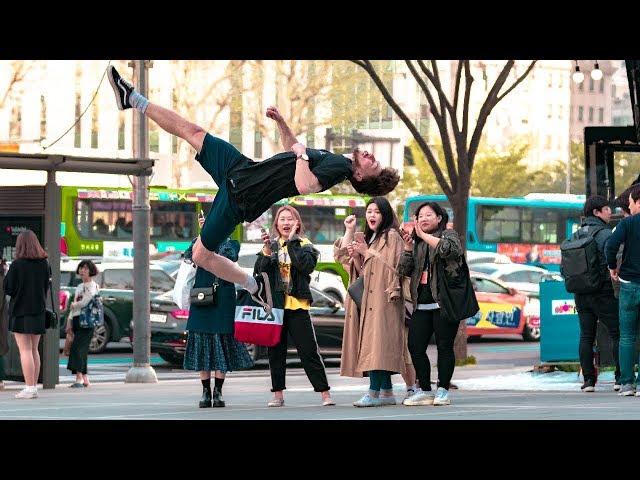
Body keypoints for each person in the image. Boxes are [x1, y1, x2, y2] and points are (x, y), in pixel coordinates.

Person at [107, 66, 400, 312]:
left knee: (201, 255)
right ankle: (132, 97)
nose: (371, 157)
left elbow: (304, 184)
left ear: (361, 176)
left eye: (373, 164)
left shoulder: (340, 168)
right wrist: (284, 125)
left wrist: (301, 154)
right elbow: (292, 151)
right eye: (373, 158)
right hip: (243, 169)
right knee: (193, 131)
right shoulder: (338, 159)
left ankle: (252, 285)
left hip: (242, 197)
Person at [254, 205, 335, 407]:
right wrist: (266, 251)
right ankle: (278, 395)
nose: (286, 222)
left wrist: (291, 243)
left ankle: (325, 394)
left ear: (297, 223)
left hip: (298, 306)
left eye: (290, 219)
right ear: (276, 223)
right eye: (282, 219)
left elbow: (304, 266)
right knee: (276, 353)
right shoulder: (271, 245)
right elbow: (259, 273)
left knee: (309, 352)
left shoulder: (305, 245)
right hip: (277, 308)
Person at [334, 197, 407, 407]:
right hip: (368, 299)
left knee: (377, 345)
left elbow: (396, 268)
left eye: (376, 211)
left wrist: (367, 252)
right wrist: (351, 234)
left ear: (385, 214)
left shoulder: (392, 236)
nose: (372, 215)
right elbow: (345, 260)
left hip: (385, 299)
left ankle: (373, 393)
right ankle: (386, 391)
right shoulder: (371, 236)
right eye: (369, 211)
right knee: (376, 345)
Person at [398, 202, 469, 406]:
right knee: (415, 346)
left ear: (439, 218)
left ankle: (443, 390)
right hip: (422, 303)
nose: (423, 219)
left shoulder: (449, 235)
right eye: (420, 216)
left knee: (444, 346)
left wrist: (423, 236)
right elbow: (403, 270)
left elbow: (450, 251)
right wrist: (409, 247)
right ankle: (426, 390)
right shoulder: (417, 242)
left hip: (444, 303)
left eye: (429, 215)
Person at [183, 218, 254, 408]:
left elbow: (225, 257)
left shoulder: (231, 244)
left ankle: (218, 391)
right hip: (201, 297)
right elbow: (190, 255)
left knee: (221, 340)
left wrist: (214, 233)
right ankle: (206, 392)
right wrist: (203, 232)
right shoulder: (198, 242)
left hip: (223, 298)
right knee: (202, 340)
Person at [568, 196, 621, 392]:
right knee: (618, 333)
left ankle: (589, 381)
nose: (610, 212)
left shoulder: (575, 236)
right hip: (603, 291)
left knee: (586, 336)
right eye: (607, 209)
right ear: (596, 212)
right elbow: (613, 259)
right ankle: (620, 378)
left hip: (581, 293)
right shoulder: (605, 234)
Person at [2, 230, 50, 399]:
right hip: (38, 311)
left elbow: (8, 288)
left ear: (20, 245)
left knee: (25, 350)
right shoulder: (44, 263)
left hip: (20, 311)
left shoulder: (17, 265)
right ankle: (34, 386)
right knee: (34, 349)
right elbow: (46, 287)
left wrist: (7, 272)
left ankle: (29, 387)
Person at [605, 184, 640, 396]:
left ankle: (627, 383)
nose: (629, 207)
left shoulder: (627, 224)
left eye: (630, 203)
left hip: (628, 286)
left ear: (638, 201)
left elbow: (610, 246)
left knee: (627, 336)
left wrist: (612, 267)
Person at [66, 259, 100, 388]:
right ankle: (85, 378)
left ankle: (79, 378)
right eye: (81, 268)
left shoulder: (92, 286)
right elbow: (73, 307)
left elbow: (85, 302)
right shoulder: (79, 286)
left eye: (85, 268)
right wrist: (69, 321)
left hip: (87, 320)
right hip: (76, 319)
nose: (82, 270)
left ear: (91, 271)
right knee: (81, 350)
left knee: (78, 348)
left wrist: (75, 305)